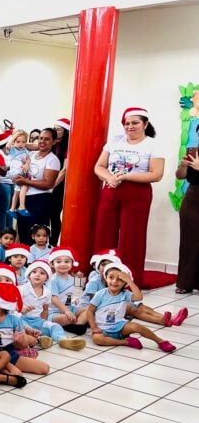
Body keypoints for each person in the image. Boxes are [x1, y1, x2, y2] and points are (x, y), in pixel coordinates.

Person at [93, 107, 165, 287]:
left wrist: (125, 176)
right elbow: (99, 166)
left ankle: (130, 280)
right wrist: (109, 177)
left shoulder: (153, 144)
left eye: (135, 123)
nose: (130, 127)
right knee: (104, 232)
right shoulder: (115, 142)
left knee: (132, 237)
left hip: (137, 194)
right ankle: (101, 277)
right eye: (127, 123)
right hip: (110, 191)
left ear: (145, 124)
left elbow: (156, 174)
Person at [86, 263, 176, 352]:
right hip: (102, 329)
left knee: (137, 327)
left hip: (120, 326)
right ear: (106, 278)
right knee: (97, 339)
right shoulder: (100, 294)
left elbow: (139, 297)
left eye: (119, 279)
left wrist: (130, 281)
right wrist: (93, 327)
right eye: (111, 277)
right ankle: (125, 342)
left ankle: (160, 341)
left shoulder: (125, 294)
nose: (114, 281)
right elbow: (90, 311)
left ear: (125, 283)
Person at [15, 128, 60, 245]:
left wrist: (26, 181)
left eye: (47, 139)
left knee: (36, 234)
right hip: (25, 199)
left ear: (54, 141)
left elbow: (48, 183)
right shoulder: (32, 154)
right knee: (23, 231)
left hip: (40, 200)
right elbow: (21, 145)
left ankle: (37, 261)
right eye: (40, 138)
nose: (42, 141)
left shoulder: (52, 159)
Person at [176, 147, 199, 293]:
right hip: (193, 197)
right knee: (188, 242)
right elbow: (180, 176)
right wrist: (184, 165)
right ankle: (185, 283)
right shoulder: (194, 152)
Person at [48, 118, 71, 245]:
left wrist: (52, 185)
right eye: (55, 128)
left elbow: (64, 170)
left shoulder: (67, 146)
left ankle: (53, 242)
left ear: (66, 131)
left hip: (58, 184)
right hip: (47, 182)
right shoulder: (52, 144)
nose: (56, 131)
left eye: (59, 129)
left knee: (55, 215)